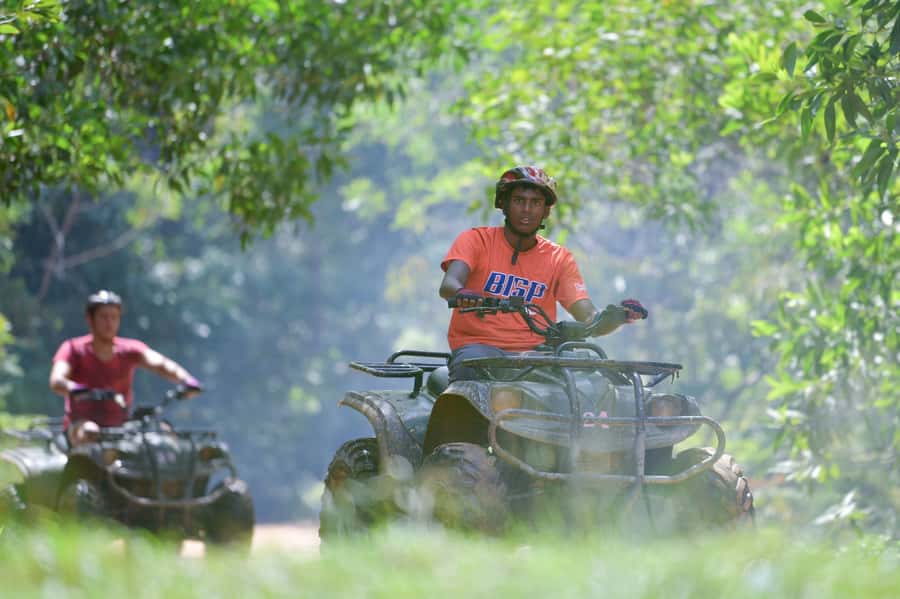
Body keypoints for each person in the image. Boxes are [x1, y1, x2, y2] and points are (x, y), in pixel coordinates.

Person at [439, 165, 647, 381]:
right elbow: (449, 285)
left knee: (589, 382)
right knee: (469, 376)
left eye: (536, 203)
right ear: (503, 204)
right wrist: (464, 294)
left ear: (546, 210)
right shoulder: (476, 240)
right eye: (519, 201)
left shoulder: (558, 258)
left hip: (536, 355)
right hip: (479, 350)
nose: (527, 209)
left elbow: (587, 317)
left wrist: (616, 316)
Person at [49, 290, 202, 446]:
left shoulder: (129, 349)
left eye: (114, 317)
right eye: (103, 317)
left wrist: (186, 379)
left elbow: (160, 364)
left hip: (122, 425)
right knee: (91, 431)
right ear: (90, 319)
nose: (109, 322)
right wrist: (75, 388)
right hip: (81, 425)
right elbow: (57, 380)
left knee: (164, 432)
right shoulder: (73, 348)